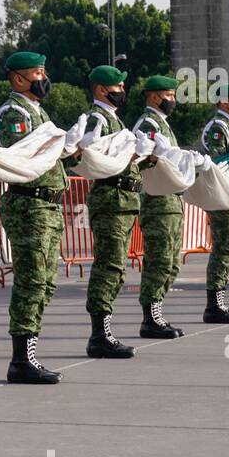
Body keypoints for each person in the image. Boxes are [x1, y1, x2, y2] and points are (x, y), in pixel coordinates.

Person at [0, 51, 84, 383]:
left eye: (44, 72)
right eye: (37, 73)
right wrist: (58, 144)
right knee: (31, 280)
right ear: (18, 79)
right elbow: (24, 152)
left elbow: (53, 159)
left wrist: (72, 148)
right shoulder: (13, 113)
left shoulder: (39, 114)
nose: (43, 79)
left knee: (45, 282)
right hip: (29, 206)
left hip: (47, 207)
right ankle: (21, 360)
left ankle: (29, 353)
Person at [81, 64, 149, 358]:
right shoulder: (96, 119)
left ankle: (104, 331)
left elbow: (123, 160)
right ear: (100, 90)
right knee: (109, 267)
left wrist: (139, 154)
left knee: (116, 267)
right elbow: (97, 158)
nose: (123, 92)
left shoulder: (114, 121)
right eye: (118, 87)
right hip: (111, 201)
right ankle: (99, 334)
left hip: (123, 202)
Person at [132, 75, 185, 338]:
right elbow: (139, 161)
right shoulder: (149, 124)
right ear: (153, 97)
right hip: (158, 203)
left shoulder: (162, 124)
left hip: (171, 201)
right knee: (159, 261)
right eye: (168, 95)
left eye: (173, 95)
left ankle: (158, 312)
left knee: (172, 262)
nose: (172, 100)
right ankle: (150, 317)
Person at [200, 83, 229, 322]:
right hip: (222, 196)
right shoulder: (217, 127)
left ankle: (219, 301)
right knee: (223, 249)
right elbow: (219, 161)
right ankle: (213, 305)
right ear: (226, 102)